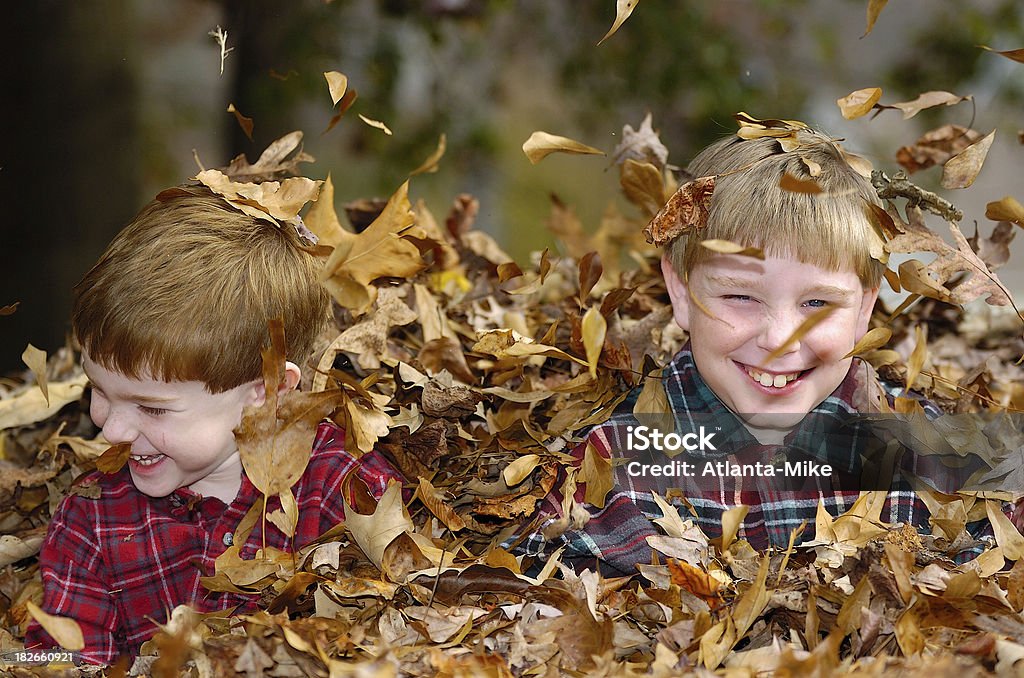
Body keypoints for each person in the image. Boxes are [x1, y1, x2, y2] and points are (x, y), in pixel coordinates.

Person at [510, 125, 993, 576]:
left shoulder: (932, 451)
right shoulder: (616, 468)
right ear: (680, 293)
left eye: (817, 303)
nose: (779, 337)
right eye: (741, 296)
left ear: (865, 309)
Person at [25, 185, 403, 664]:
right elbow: (53, 665)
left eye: (153, 408)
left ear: (265, 391)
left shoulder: (345, 494)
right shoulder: (93, 520)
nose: (113, 430)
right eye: (99, 391)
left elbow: (393, 643)